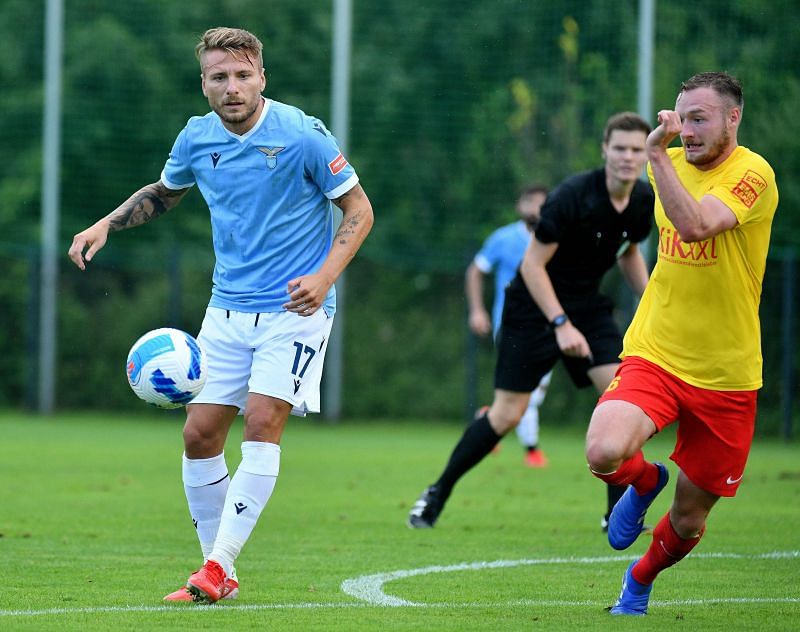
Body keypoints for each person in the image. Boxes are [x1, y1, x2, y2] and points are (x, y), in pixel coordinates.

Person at [67, 27, 373, 603]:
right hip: (226, 311)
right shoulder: (196, 138)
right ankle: (220, 576)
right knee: (199, 434)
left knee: (262, 423)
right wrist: (107, 223)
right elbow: (165, 191)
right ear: (204, 83)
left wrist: (325, 276)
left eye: (242, 75)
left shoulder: (303, 135)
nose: (231, 87)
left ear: (262, 77)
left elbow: (359, 210)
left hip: (295, 310)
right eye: (218, 77)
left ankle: (216, 566)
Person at [585, 72, 778, 616]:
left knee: (691, 519)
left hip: (728, 373)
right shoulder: (665, 167)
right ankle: (644, 482)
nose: (687, 131)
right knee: (603, 450)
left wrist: (658, 157)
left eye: (700, 119)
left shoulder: (753, 173)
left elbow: (694, 227)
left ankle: (639, 580)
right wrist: (660, 159)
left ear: (732, 118)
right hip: (659, 350)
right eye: (682, 118)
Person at [408, 112, 654, 529]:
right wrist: (560, 323)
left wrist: (652, 304)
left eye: (636, 150)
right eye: (620, 148)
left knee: (621, 401)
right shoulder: (572, 196)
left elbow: (627, 250)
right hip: (531, 308)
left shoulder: (643, 199)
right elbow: (532, 265)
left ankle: (616, 513)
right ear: (604, 151)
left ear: (646, 154)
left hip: (587, 307)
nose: (628, 157)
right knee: (506, 415)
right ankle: (437, 492)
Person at [466, 184, 551, 468]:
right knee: (528, 389)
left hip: (550, 326)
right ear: (520, 206)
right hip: (511, 326)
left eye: (541, 203)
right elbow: (476, 271)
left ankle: (488, 418)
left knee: (529, 394)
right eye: (529, 202)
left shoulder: (556, 239)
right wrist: (477, 310)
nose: (534, 208)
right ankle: (532, 451)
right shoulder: (503, 239)